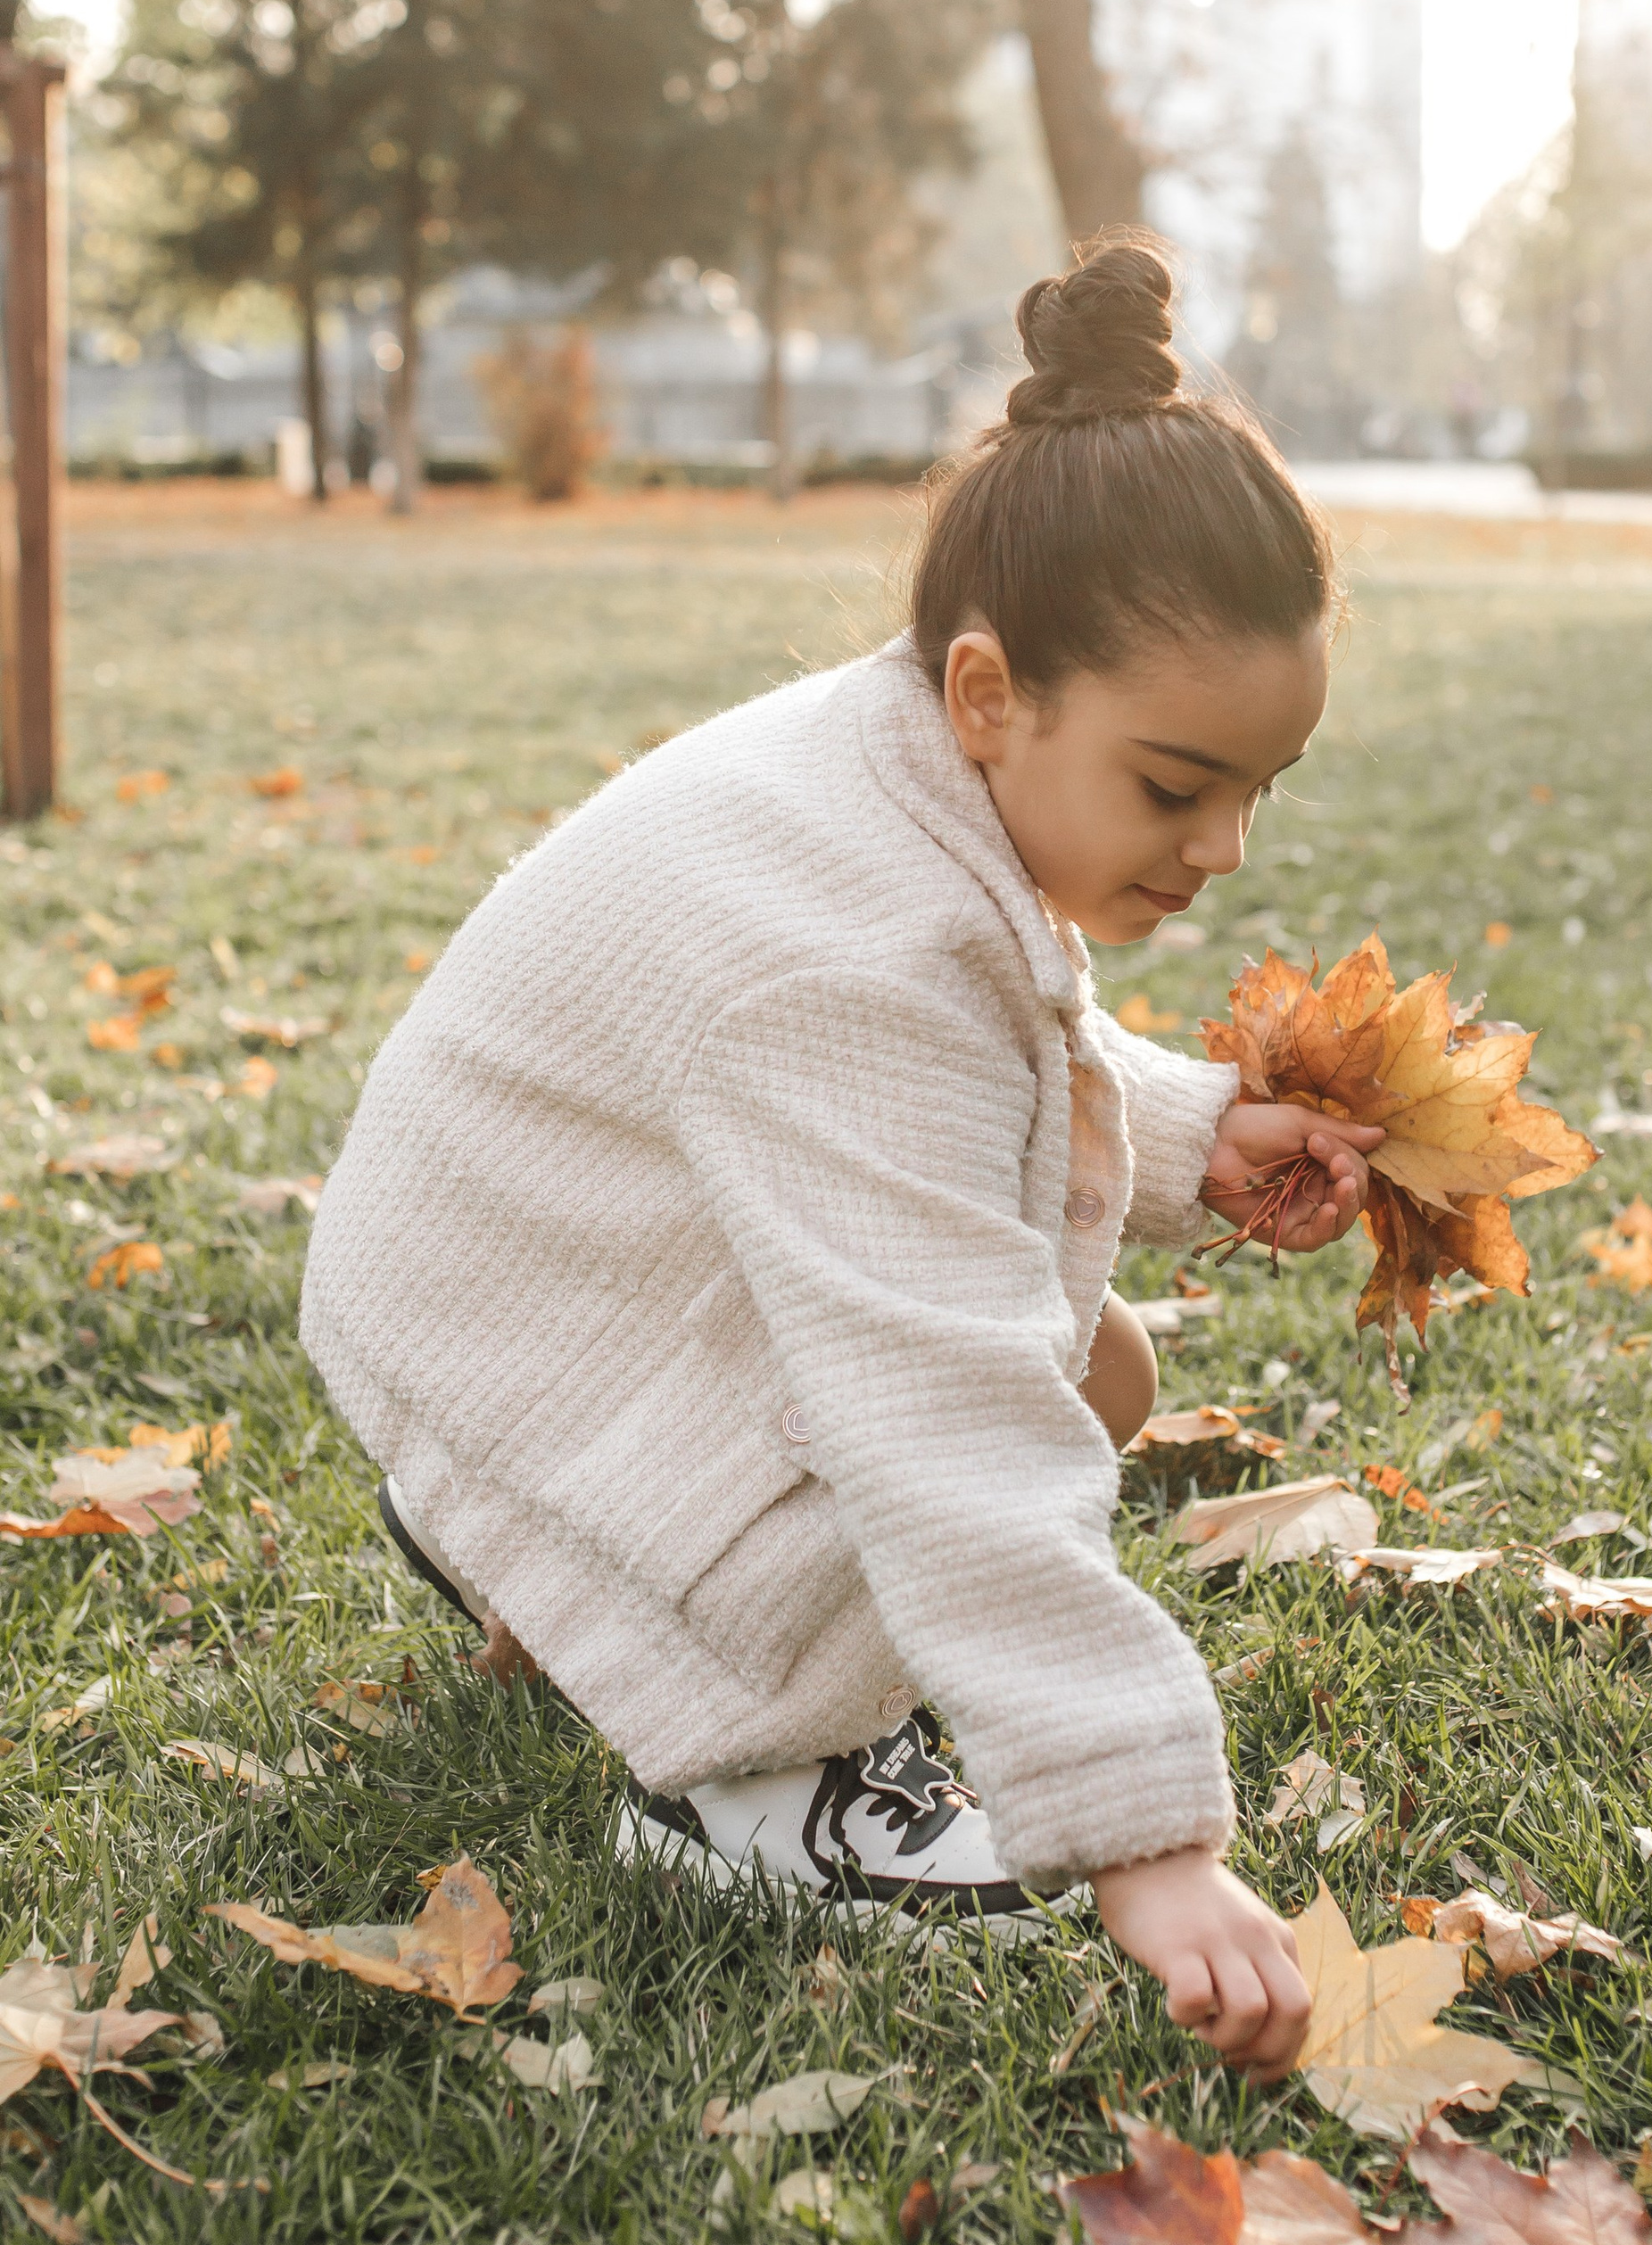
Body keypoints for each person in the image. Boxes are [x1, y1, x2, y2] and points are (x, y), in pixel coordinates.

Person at [300, 236, 1379, 2082]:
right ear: (989, 697)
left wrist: (1193, 1132)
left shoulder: (889, 778)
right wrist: (1147, 1838)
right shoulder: (845, 951)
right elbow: (940, 1408)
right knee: (1025, 1385)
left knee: (1103, 1358)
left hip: (518, 1293)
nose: (1221, 849)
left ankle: (546, 1567)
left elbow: (976, 1061)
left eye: (1254, 790)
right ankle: (746, 1787)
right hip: (510, 1335)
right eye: (1175, 784)